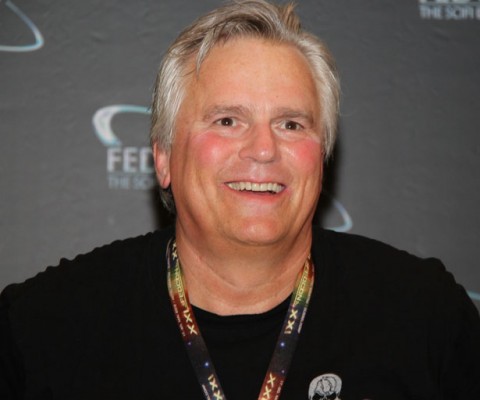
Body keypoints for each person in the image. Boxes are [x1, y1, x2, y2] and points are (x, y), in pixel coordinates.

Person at [1, 0, 479, 399]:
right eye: (227, 121)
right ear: (163, 157)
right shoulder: (44, 328)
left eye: (291, 124)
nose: (264, 149)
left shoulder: (425, 317)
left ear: (323, 156)